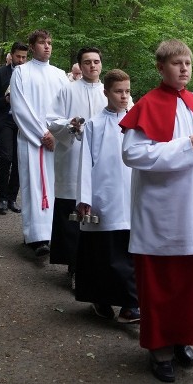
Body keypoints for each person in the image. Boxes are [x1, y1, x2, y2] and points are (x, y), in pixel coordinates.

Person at [120, 39, 193, 383]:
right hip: (160, 211)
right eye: (176, 63)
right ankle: (160, 348)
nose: (184, 68)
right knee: (160, 283)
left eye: (188, 63)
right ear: (160, 68)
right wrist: (187, 145)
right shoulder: (148, 104)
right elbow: (133, 154)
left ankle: (183, 338)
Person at [74, 69, 139, 323]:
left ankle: (129, 304)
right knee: (103, 252)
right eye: (118, 91)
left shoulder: (135, 122)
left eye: (127, 91)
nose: (124, 96)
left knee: (128, 250)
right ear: (106, 92)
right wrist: (84, 198)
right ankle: (100, 300)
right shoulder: (94, 124)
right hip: (104, 194)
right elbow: (85, 163)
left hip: (130, 193)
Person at [10, 30, 70, 255]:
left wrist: (56, 134)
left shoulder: (60, 75)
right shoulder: (21, 72)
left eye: (50, 43)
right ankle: (36, 237)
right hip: (32, 139)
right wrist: (42, 133)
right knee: (34, 185)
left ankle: (55, 233)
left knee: (56, 187)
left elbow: (68, 107)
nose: (47, 46)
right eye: (42, 43)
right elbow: (20, 107)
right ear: (32, 46)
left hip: (55, 141)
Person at [49, 46, 107, 276]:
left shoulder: (110, 91)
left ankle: (96, 264)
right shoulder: (68, 90)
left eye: (96, 61)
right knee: (71, 209)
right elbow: (52, 120)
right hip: (72, 155)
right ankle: (73, 264)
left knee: (99, 209)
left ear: (101, 64)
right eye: (87, 62)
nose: (92, 66)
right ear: (80, 66)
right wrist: (69, 125)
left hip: (102, 159)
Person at [0, 42, 27, 215]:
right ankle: (2, 198)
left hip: (22, 122)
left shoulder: (29, 74)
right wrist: (4, 100)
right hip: (4, 119)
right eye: (18, 56)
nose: (21, 60)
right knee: (6, 157)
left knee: (19, 160)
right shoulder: (0, 72)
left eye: (24, 57)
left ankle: (12, 198)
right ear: (11, 55)